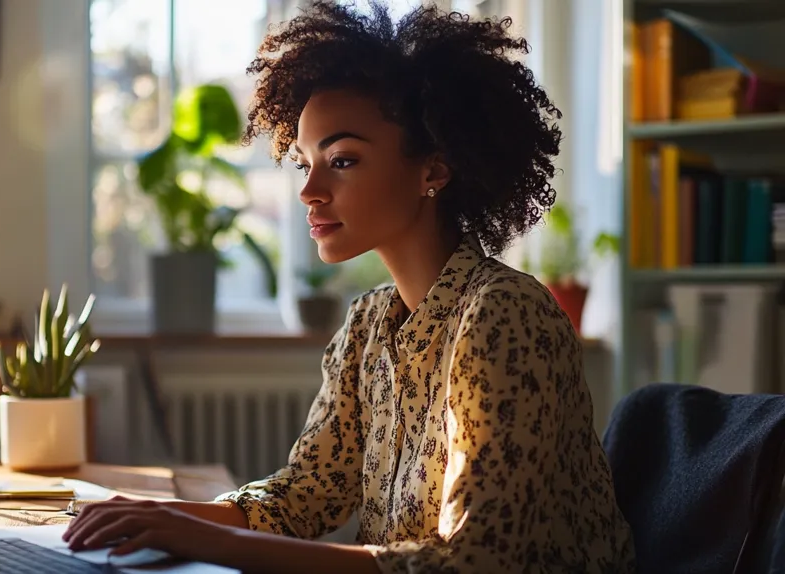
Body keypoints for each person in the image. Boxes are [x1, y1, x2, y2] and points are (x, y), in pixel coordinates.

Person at [63, 2, 636, 572]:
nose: (309, 190)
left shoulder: (504, 315)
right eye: (302, 162)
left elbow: (475, 562)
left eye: (341, 160)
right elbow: (304, 498)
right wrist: (161, 516)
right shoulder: (366, 325)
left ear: (433, 170)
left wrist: (201, 539)